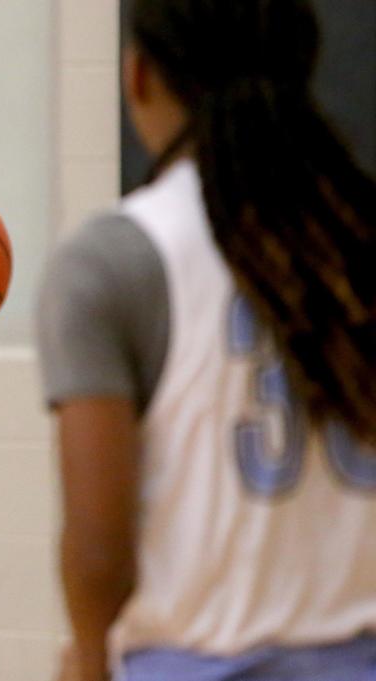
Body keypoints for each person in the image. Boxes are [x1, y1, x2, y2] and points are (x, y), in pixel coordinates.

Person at [35, 1, 376, 680]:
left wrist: (90, 660)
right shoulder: (357, 234)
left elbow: (102, 547)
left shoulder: (113, 258)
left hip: (197, 662)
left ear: (139, 77)